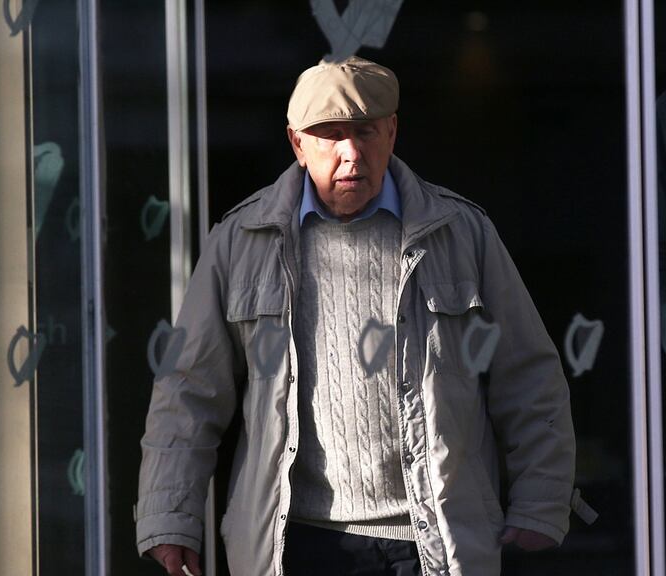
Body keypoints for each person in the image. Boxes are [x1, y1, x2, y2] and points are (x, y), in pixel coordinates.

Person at [135, 56, 584, 576]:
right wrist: (170, 516)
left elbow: (527, 374)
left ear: (391, 132)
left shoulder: (461, 232)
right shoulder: (241, 241)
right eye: (330, 135)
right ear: (297, 144)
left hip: (432, 543)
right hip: (296, 543)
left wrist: (541, 499)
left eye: (365, 131)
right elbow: (188, 389)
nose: (351, 152)